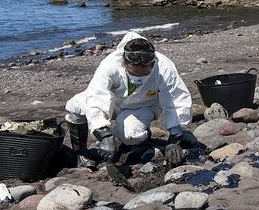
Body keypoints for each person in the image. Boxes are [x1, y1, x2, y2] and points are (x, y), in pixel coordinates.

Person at [65, 32, 197, 168]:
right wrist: (103, 134)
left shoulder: (164, 67)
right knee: (75, 106)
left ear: (152, 63)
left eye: (145, 74)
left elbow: (176, 100)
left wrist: (175, 138)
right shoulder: (110, 65)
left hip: (143, 106)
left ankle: (138, 138)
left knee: (132, 135)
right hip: (113, 103)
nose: (139, 78)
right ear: (124, 61)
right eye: (134, 73)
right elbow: (97, 97)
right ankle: (80, 152)